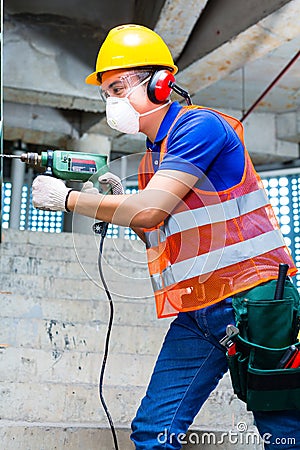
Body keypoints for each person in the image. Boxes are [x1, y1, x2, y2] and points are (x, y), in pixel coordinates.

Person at [32, 24, 300, 449]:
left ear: (161, 83)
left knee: (284, 432)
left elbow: (152, 208)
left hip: (254, 299)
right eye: (105, 93)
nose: (112, 102)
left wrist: (67, 201)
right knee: (154, 431)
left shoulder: (200, 127)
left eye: (118, 87)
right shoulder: (152, 162)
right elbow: (160, 236)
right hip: (200, 310)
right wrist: (127, 209)